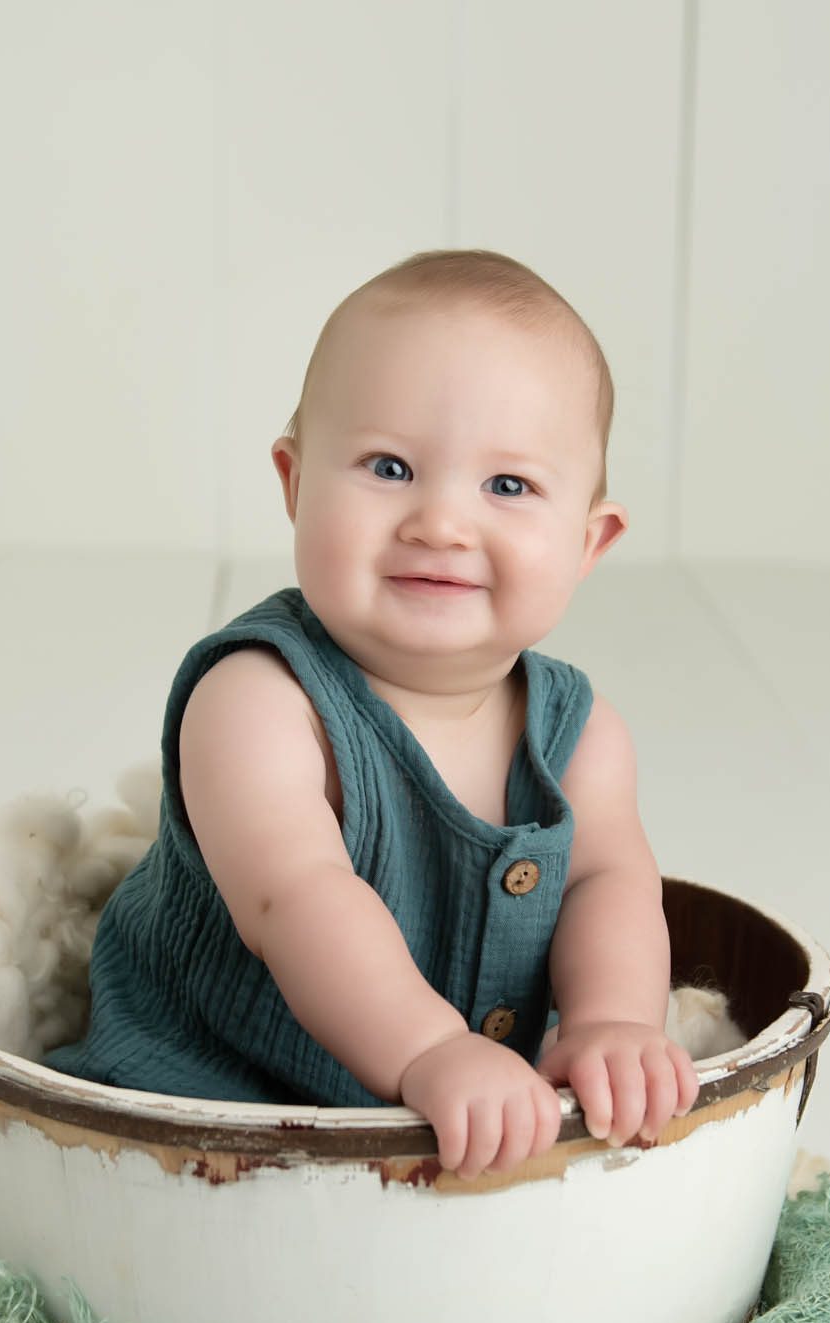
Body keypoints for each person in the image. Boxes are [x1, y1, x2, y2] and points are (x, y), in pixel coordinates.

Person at [42, 248, 698, 1179]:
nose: (440, 521)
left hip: (474, 1107)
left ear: (589, 542)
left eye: (507, 486)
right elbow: (296, 896)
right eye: (389, 466)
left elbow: (611, 885)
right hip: (217, 1099)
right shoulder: (260, 700)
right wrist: (431, 1048)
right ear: (295, 482)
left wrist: (609, 1022)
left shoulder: (580, 737)